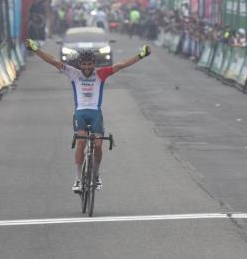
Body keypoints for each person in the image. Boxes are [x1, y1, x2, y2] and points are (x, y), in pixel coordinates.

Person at [24, 38, 151, 192]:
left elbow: (121, 64)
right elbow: (52, 61)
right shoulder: (74, 73)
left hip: (96, 113)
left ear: (94, 63)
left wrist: (141, 55)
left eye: (89, 64)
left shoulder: (101, 74)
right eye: (83, 64)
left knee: (98, 144)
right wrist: (35, 48)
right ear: (79, 64)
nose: (86, 67)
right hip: (80, 113)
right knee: (82, 141)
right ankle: (78, 179)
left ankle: (96, 176)